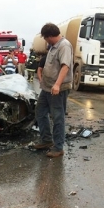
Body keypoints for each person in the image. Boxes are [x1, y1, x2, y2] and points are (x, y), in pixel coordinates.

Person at [34, 23, 73, 158]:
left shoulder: (64, 46)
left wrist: (57, 85)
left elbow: (65, 67)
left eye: (45, 38)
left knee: (57, 117)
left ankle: (58, 147)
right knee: (40, 112)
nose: (45, 40)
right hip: (47, 88)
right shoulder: (53, 46)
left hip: (58, 89)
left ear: (50, 36)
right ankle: (46, 140)